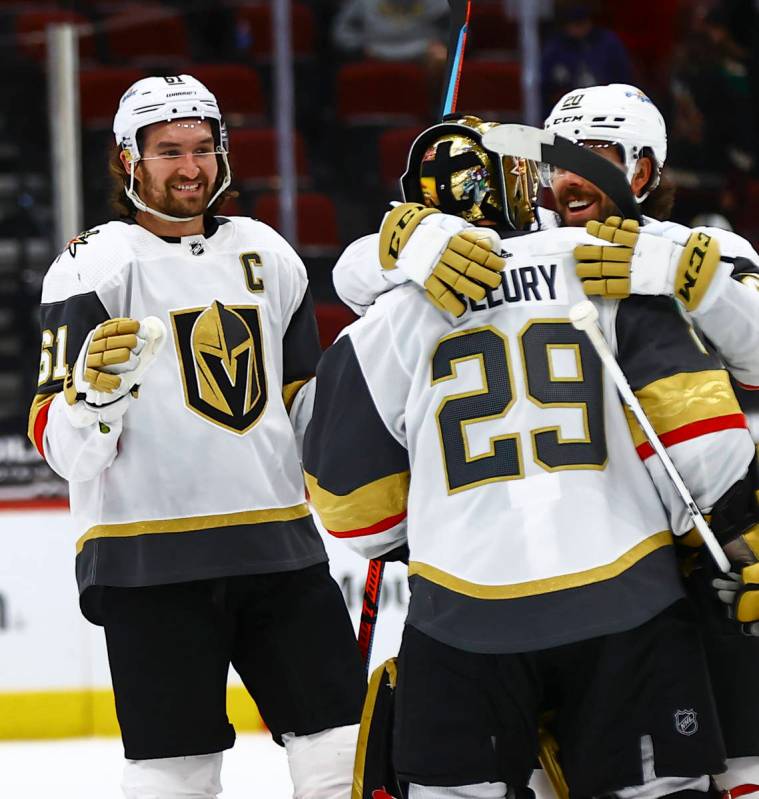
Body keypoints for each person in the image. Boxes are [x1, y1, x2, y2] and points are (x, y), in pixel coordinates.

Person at [304, 116, 759, 799]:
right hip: (630, 601)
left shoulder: (383, 323)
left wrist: (424, 519)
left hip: (460, 618)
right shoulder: (607, 269)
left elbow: (353, 514)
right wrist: (738, 531)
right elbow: (705, 444)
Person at [27, 74, 365, 799]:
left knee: (343, 751)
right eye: (168, 151)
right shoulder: (93, 264)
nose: (191, 167)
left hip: (280, 549)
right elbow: (60, 446)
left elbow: (301, 402)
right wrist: (92, 401)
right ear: (127, 160)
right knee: (173, 775)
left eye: (204, 147)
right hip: (147, 563)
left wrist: (366, 433)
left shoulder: (267, 252)